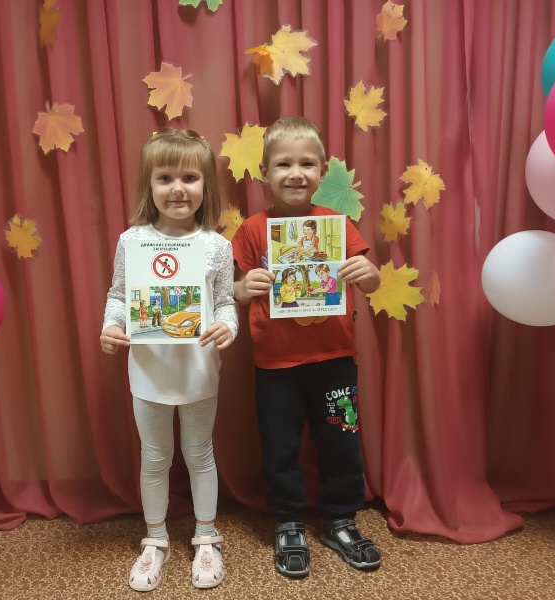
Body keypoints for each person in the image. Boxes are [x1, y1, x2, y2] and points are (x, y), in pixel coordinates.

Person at [231, 116, 382, 578]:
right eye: (283, 164)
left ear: (321, 171)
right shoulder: (252, 229)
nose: (295, 173)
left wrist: (368, 274)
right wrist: (244, 288)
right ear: (264, 173)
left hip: (335, 362)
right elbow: (232, 290)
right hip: (275, 365)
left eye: (306, 164)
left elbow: (370, 280)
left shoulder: (338, 224)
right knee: (280, 448)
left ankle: (340, 518)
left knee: (342, 444)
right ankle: (289, 521)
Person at [101, 128, 237, 592]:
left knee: (200, 455)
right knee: (155, 458)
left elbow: (226, 303)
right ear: (150, 184)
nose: (178, 188)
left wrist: (228, 326)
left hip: (198, 371)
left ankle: (206, 536)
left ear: (205, 185)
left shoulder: (217, 246)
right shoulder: (132, 241)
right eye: (165, 178)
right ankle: (155, 539)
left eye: (190, 177)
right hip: (149, 372)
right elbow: (119, 294)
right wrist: (111, 326)